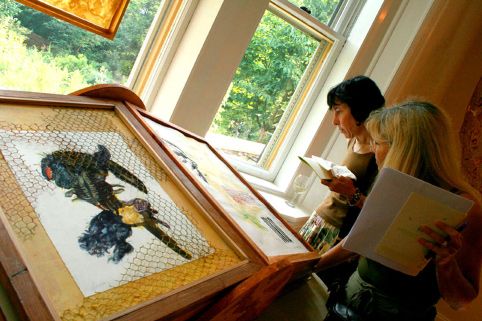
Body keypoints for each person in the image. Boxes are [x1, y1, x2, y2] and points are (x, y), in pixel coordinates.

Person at [316, 101, 482, 321]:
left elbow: (460, 301)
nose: (373, 149)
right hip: (345, 304)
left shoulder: (466, 208)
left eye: (377, 142)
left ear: (402, 148)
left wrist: (445, 263)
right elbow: (356, 242)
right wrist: (308, 267)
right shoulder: (391, 187)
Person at [298, 76, 384, 300]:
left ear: (360, 107)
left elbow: (379, 214)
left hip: (337, 235)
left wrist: (351, 193)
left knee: (307, 295)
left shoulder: (381, 152)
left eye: (338, 110)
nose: (334, 121)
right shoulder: (353, 141)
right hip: (319, 223)